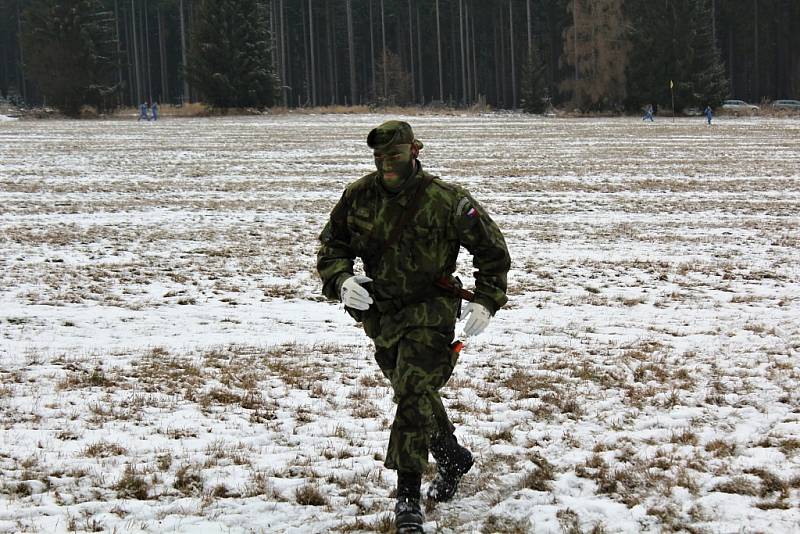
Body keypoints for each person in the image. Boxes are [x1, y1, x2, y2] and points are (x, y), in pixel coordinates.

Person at [317, 120, 510, 533]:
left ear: (414, 152)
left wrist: (487, 300)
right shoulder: (358, 196)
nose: (387, 164)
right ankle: (452, 455)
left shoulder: (446, 200)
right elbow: (332, 246)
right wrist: (341, 281)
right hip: (382, 315)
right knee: (412, 390)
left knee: (413, 392)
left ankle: (407, 497)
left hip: (431, 310)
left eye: (395, 156)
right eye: (380, 157)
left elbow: (492, 251)